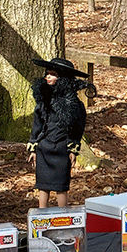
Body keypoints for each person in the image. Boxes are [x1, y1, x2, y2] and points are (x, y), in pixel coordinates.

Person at [28, 58, 95, 208]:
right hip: (44, 147)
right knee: (43, 186)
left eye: (53, 74)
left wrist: (73, 148)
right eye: (47, 73)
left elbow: (78, 128)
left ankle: (63, 215)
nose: (48, 76)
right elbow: (37, 124)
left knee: (61, 187)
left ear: (63, 78)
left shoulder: (74, 104)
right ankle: (41, 215)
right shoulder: (44, 100)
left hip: (62, 148)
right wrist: (33, 146)